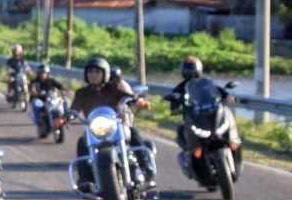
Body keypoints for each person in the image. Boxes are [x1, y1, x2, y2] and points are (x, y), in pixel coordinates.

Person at [71, 56, 153, 192]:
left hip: (115, 127)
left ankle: (145, 167)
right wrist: (66, 115)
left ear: (105, 73)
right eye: (90, 71)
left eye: (97, 71)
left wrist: (137, 101)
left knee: (133, 132)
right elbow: (74, 108)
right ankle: (85, 179)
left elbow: (127, 97)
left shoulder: (113, 89)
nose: (93, 74)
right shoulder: (82, 93)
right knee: (81, 142)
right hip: (95, 130)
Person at [168, 56, 236, 151]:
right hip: (194, 117)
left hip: (210, 112)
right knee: (183, 128)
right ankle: (193, 150)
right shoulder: (181, 87)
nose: (191, 73)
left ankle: (233, 140)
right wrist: (174, 108)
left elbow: (217, 89)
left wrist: (227, 95)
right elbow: (175, 96)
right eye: (188, 70)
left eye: (193, 70)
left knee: (225, 112)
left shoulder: (206, 82)